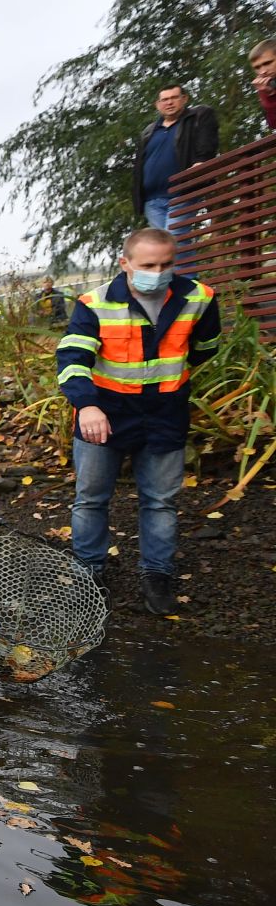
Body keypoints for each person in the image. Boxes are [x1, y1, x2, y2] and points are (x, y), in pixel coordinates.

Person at [56, 226, 221, 615]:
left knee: (161, 501)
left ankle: (157, 574)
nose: (159, 271)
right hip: (106, 414)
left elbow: (205, 347)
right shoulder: (95, 303)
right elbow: (71, 358)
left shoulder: (198, 297)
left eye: (167, 264)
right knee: (91, 499)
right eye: (148, 264)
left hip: (165, 413)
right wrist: (88, 405)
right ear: (125, 263)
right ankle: (89, 571)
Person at [131, 85, 217, 232]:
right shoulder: (149, 131)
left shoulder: (196, 117)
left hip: (182, 193)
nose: (169, 102)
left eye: (174, 98)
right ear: (157, 105)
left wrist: (201, 161)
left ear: (184, 99)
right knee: (164, 247)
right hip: (152, 200)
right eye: (164, 99)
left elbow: (207, 142)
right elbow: (139, 164)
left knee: (174, 239)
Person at [252, 38, 276, 132]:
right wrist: (270, 95)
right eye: (257, 67)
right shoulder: (268, 87)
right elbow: (274, 123)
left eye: (267, 63)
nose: (263, 71)